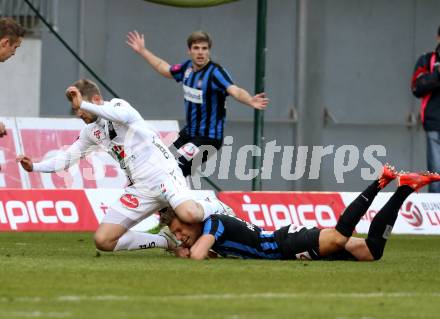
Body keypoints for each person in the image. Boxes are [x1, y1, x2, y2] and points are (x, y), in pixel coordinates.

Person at [16, 79, 230, 253]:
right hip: (140, 189)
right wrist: (34, 167)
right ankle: (167, 242)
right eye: (76, 108)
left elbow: (121, 116)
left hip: (164, 175)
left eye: (79, 107)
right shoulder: (90, 131)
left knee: (190, 215)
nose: (78, 113)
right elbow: (66, 158)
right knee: (103, 240)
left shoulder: (118, 106)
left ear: (96, 100)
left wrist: (83, 104)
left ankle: (217, 206)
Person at [160, 164, 440, 260]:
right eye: (176, 234)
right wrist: (181, 246)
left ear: (189, 219)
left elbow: (196, 255)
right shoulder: (209, 232)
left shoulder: (213, 224)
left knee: (340, 238)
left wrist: (176, 246)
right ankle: (405, 188)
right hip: (286, 246)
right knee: (371, 251)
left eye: (179, 229)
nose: (181, 235)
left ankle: (380, 181)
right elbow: (199, 252)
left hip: (285, 245)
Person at [126, 30, 269, 176]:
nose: (200, 52)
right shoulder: (187, 69)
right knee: (163, 162)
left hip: (208, 139)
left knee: (175, 169)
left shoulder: (215, 73)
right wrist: (143, 51)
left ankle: (177, 197)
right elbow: (165, 68)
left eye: (204, 48)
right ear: (189, 51)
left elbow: (235, 90)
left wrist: (250, 100)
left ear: (209, 51)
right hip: (189, 134)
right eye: (196, 48)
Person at [411, 25, 440, 192]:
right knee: (436, 177)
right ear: (438, 38)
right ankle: (437, 215)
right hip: (434, 125)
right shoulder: (427, 60)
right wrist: (437, 74)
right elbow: (416, 86)